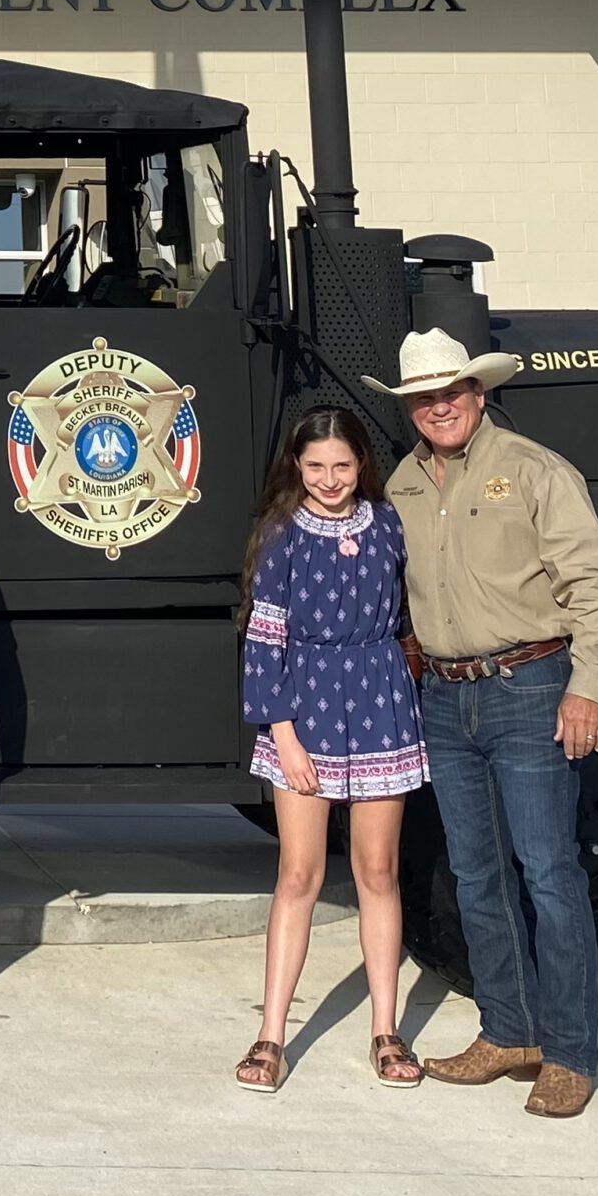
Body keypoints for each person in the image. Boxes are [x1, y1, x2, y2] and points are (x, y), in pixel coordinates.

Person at [369, 327, 598, 1120]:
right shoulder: (402, 485)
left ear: (479, 394)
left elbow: (597, 586)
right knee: (477, 876)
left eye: (452, 391)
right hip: (445, 700)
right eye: (424, 396)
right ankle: (508, 1032)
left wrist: (587, 689)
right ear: (410, 407)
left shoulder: (533, 469)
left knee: (549, 873)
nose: (439, 406)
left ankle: (570, 1053)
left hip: (530, 685)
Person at [232, 407, 428, 1094]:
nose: (330, 479)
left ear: (361, 464)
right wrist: (282, 734)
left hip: (378, 698)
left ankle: (385, 1028)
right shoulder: (281, 534)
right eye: (316, 466)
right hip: (306, 706)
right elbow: (263, 641)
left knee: (377, 870)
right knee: (299, 874)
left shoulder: (389, 524)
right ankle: (270, 1036)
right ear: (296, 467)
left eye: (342, 465)